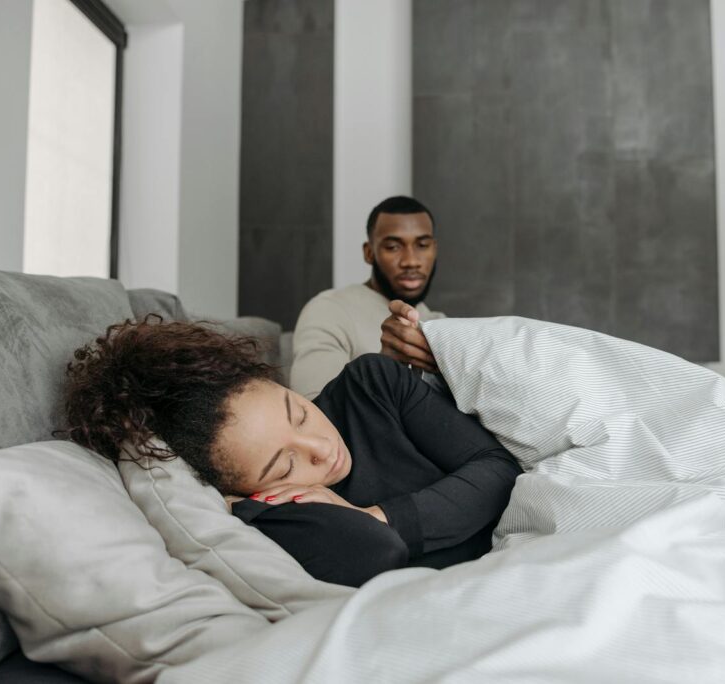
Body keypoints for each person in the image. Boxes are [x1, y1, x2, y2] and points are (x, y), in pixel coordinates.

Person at [61, 317, 521, 588]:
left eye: (298, 413)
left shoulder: (372, 386)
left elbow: (499, 469)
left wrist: (379, 514)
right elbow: (372, 552)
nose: (321, 449)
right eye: (286, 465)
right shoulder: (272, 511)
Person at [290, 196, 445, 400]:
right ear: (369, 253)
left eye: (422, 245)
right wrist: (381, 369)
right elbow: (313, 410)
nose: (411, 261)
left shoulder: (440, 323)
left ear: (434, 248)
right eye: (393, 247)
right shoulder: (329, 309)